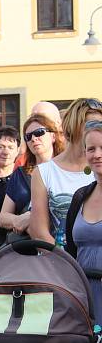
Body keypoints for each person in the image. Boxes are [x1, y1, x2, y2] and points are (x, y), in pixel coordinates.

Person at [29, 98, 102, 246]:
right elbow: (39, 231)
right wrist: (67, 262)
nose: (96, 130)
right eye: (91, 124)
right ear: (72, 126)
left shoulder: (98, 167)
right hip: (57, 263)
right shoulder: (45, 172)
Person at [0, 114, 63, 241]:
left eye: (39, 132)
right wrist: (18, 219)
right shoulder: (21, 174)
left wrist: (33, 216)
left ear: (53, 136)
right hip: (28, 249)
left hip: (62, 244)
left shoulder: (65, 171)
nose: (33, 139)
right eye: (28, 136)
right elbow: (3, 217)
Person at [66, 120, 102, 310]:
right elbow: (71, 250)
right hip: (83, 296)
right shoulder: (80, 196)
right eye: (91, 149)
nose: (97, 155)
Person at [0, 126, 21, 253]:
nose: (5, 152)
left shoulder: (23, 178)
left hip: (14, 245)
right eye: (1, 146)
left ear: (18, 150)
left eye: (10, 147)